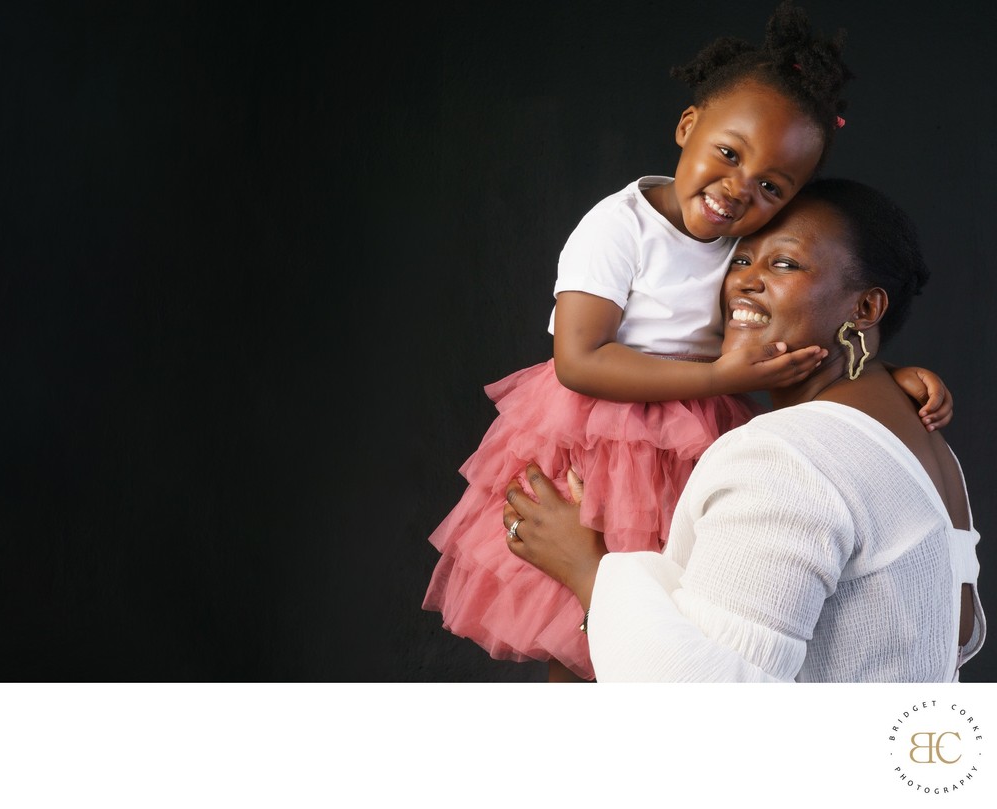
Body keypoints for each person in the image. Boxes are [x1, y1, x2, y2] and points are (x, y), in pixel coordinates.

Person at [422, 1, 950, 682]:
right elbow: (579, 360)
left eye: (770, 186)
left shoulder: (739, 240)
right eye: (728, 156)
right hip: (605, 431)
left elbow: (797, 333)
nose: (738, 189)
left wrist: (888, 373)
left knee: (673, 609)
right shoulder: (620, 227)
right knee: (578, 639)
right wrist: (719, 378)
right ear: (687, 125)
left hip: (693, 433)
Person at [503, 178, 985, 682]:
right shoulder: (919, 438)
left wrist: (589, 571)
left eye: (784, 263)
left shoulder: (785, 457)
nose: (744, 281)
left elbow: (706, 703)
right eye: (738, 258)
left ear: (864, 309)